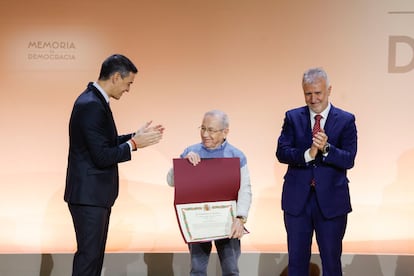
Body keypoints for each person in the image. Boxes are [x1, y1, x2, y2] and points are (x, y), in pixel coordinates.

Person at [64, 54, 164, 276]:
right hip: (88, 197)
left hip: (94, 197)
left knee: (94, 257)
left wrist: (134, 137)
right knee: (89, 258)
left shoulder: (94, 101)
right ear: (116, 77)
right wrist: (134, 145)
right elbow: (101, 156)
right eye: (129, 83)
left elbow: (103, 142)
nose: (128, 89)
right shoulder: (90, 104)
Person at [276, 67, 357, 276]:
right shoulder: (293, 117)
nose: (313, 99)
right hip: (297, 202)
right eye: (308, 93)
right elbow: (282, 152)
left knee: (331, 261)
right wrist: (308, 154)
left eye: (318, 93)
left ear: (329, 90)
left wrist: (327, 149)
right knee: (296, 262)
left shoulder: (346, 120)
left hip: (331, 203)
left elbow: (349, 159)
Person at [167, 109, 252, 276]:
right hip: (198, 220)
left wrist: (241, 218)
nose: (205, 134)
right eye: (203, 128)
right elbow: (171, 181)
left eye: (211, 130)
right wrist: (183, 165)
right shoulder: (191, 151)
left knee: (231, 270)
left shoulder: (236, 156)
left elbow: (245, 189)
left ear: (225, 132)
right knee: (197, 270)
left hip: (228, 221)